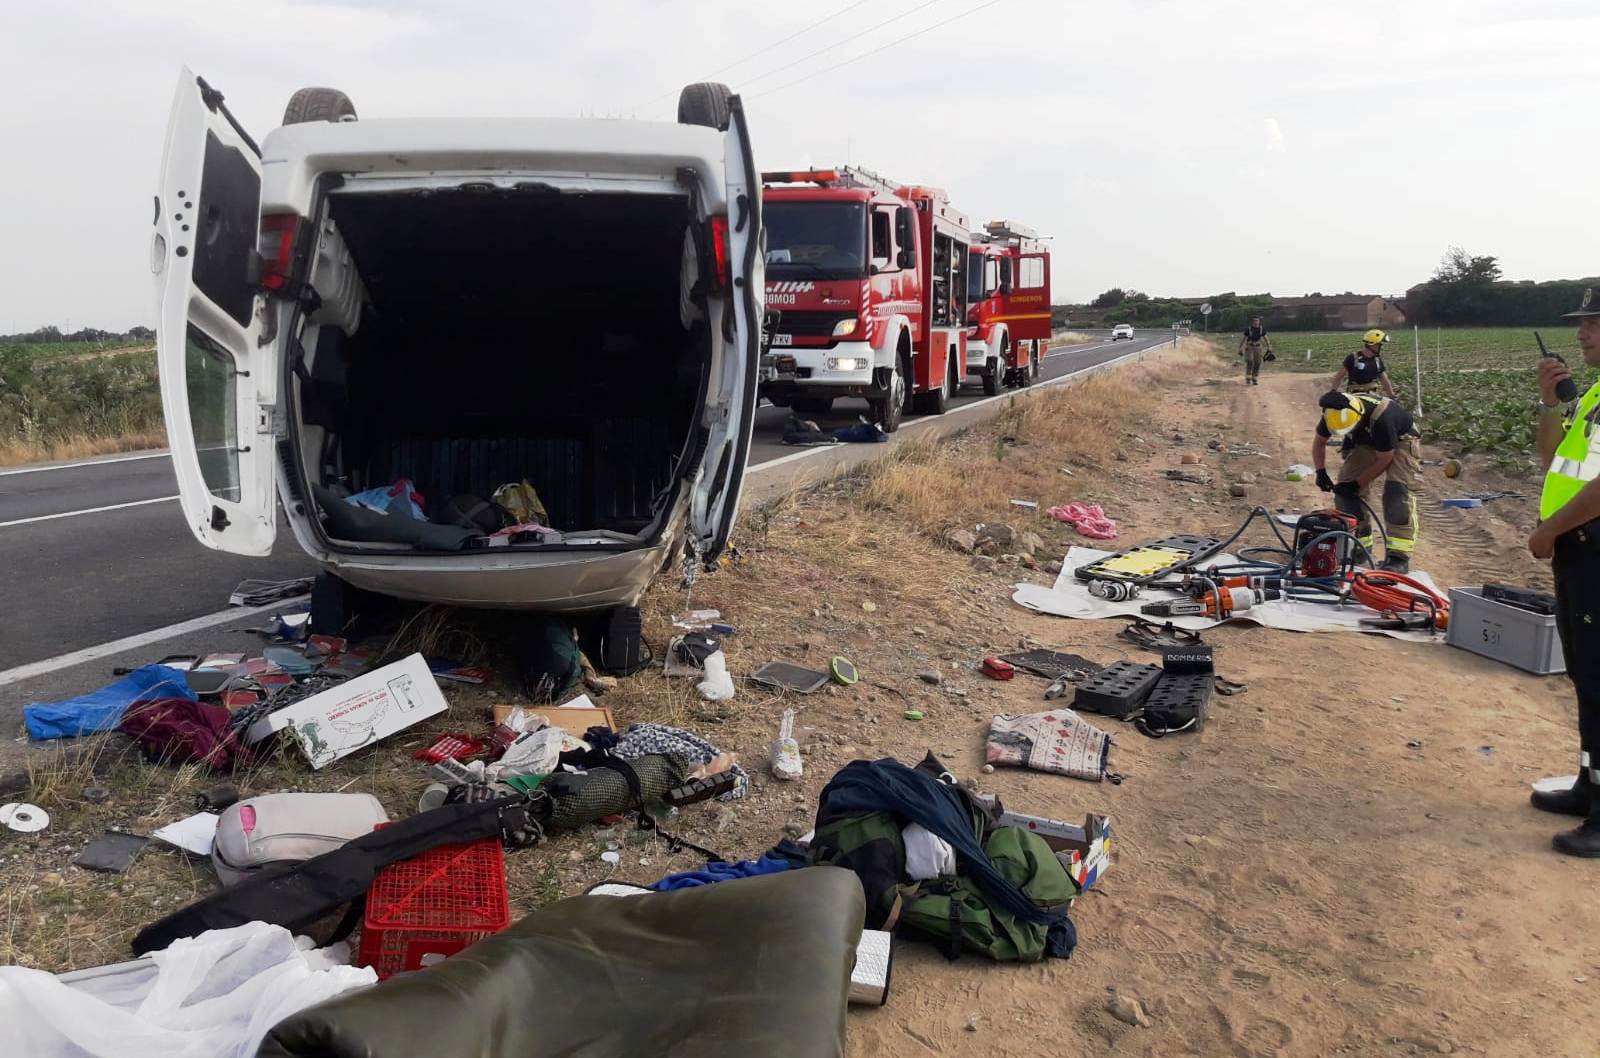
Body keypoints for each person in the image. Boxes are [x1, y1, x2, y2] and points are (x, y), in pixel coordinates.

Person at [1527, 287, 1600, 857]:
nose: (1581, 335)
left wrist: (1550, 530)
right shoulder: (1594, 395)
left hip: (1591, 546)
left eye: (1592, 326)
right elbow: (1552, 460)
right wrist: (1551, 402)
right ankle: (1588, 786)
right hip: (1579, 549)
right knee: (1586, 675)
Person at [1311, 390, 1419, 573]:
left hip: (1400, 441)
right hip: (1366, 443)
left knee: (1396, 493)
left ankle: (1398, 557)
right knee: (1344, 493)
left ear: (1358, 417)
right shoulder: (1333, 413)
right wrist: (1320, 472)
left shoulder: (1382, 419)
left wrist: (1358, 484)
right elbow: (1319, 443)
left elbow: (1385, 458)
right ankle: (1359, 546)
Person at [1329, 329, 1397, 397]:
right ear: (1372, 344)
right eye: (1379, 345)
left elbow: (1384, 380)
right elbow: (1339, 376)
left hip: (1372, 397)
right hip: (1355, 398)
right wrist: (1332, 392)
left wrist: (1391, 395)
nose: (1381, 347)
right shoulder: (1353, 358)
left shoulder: (1377, 361)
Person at [1237, 315, 1274, 386]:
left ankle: (1254, 378)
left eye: (1257, 321)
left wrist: (1269, 346)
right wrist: (1240, 348)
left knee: (1257, 362)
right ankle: (1248, 377)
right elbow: (1244, 338)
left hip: (1258, 347)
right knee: (1249, 360)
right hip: (1249, 347)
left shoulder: (1261, 329)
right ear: (1252, 322)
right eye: (1254, 321)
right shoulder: (1249, 329)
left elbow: (1266, 338)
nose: (1256, 322)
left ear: (1259, 322)